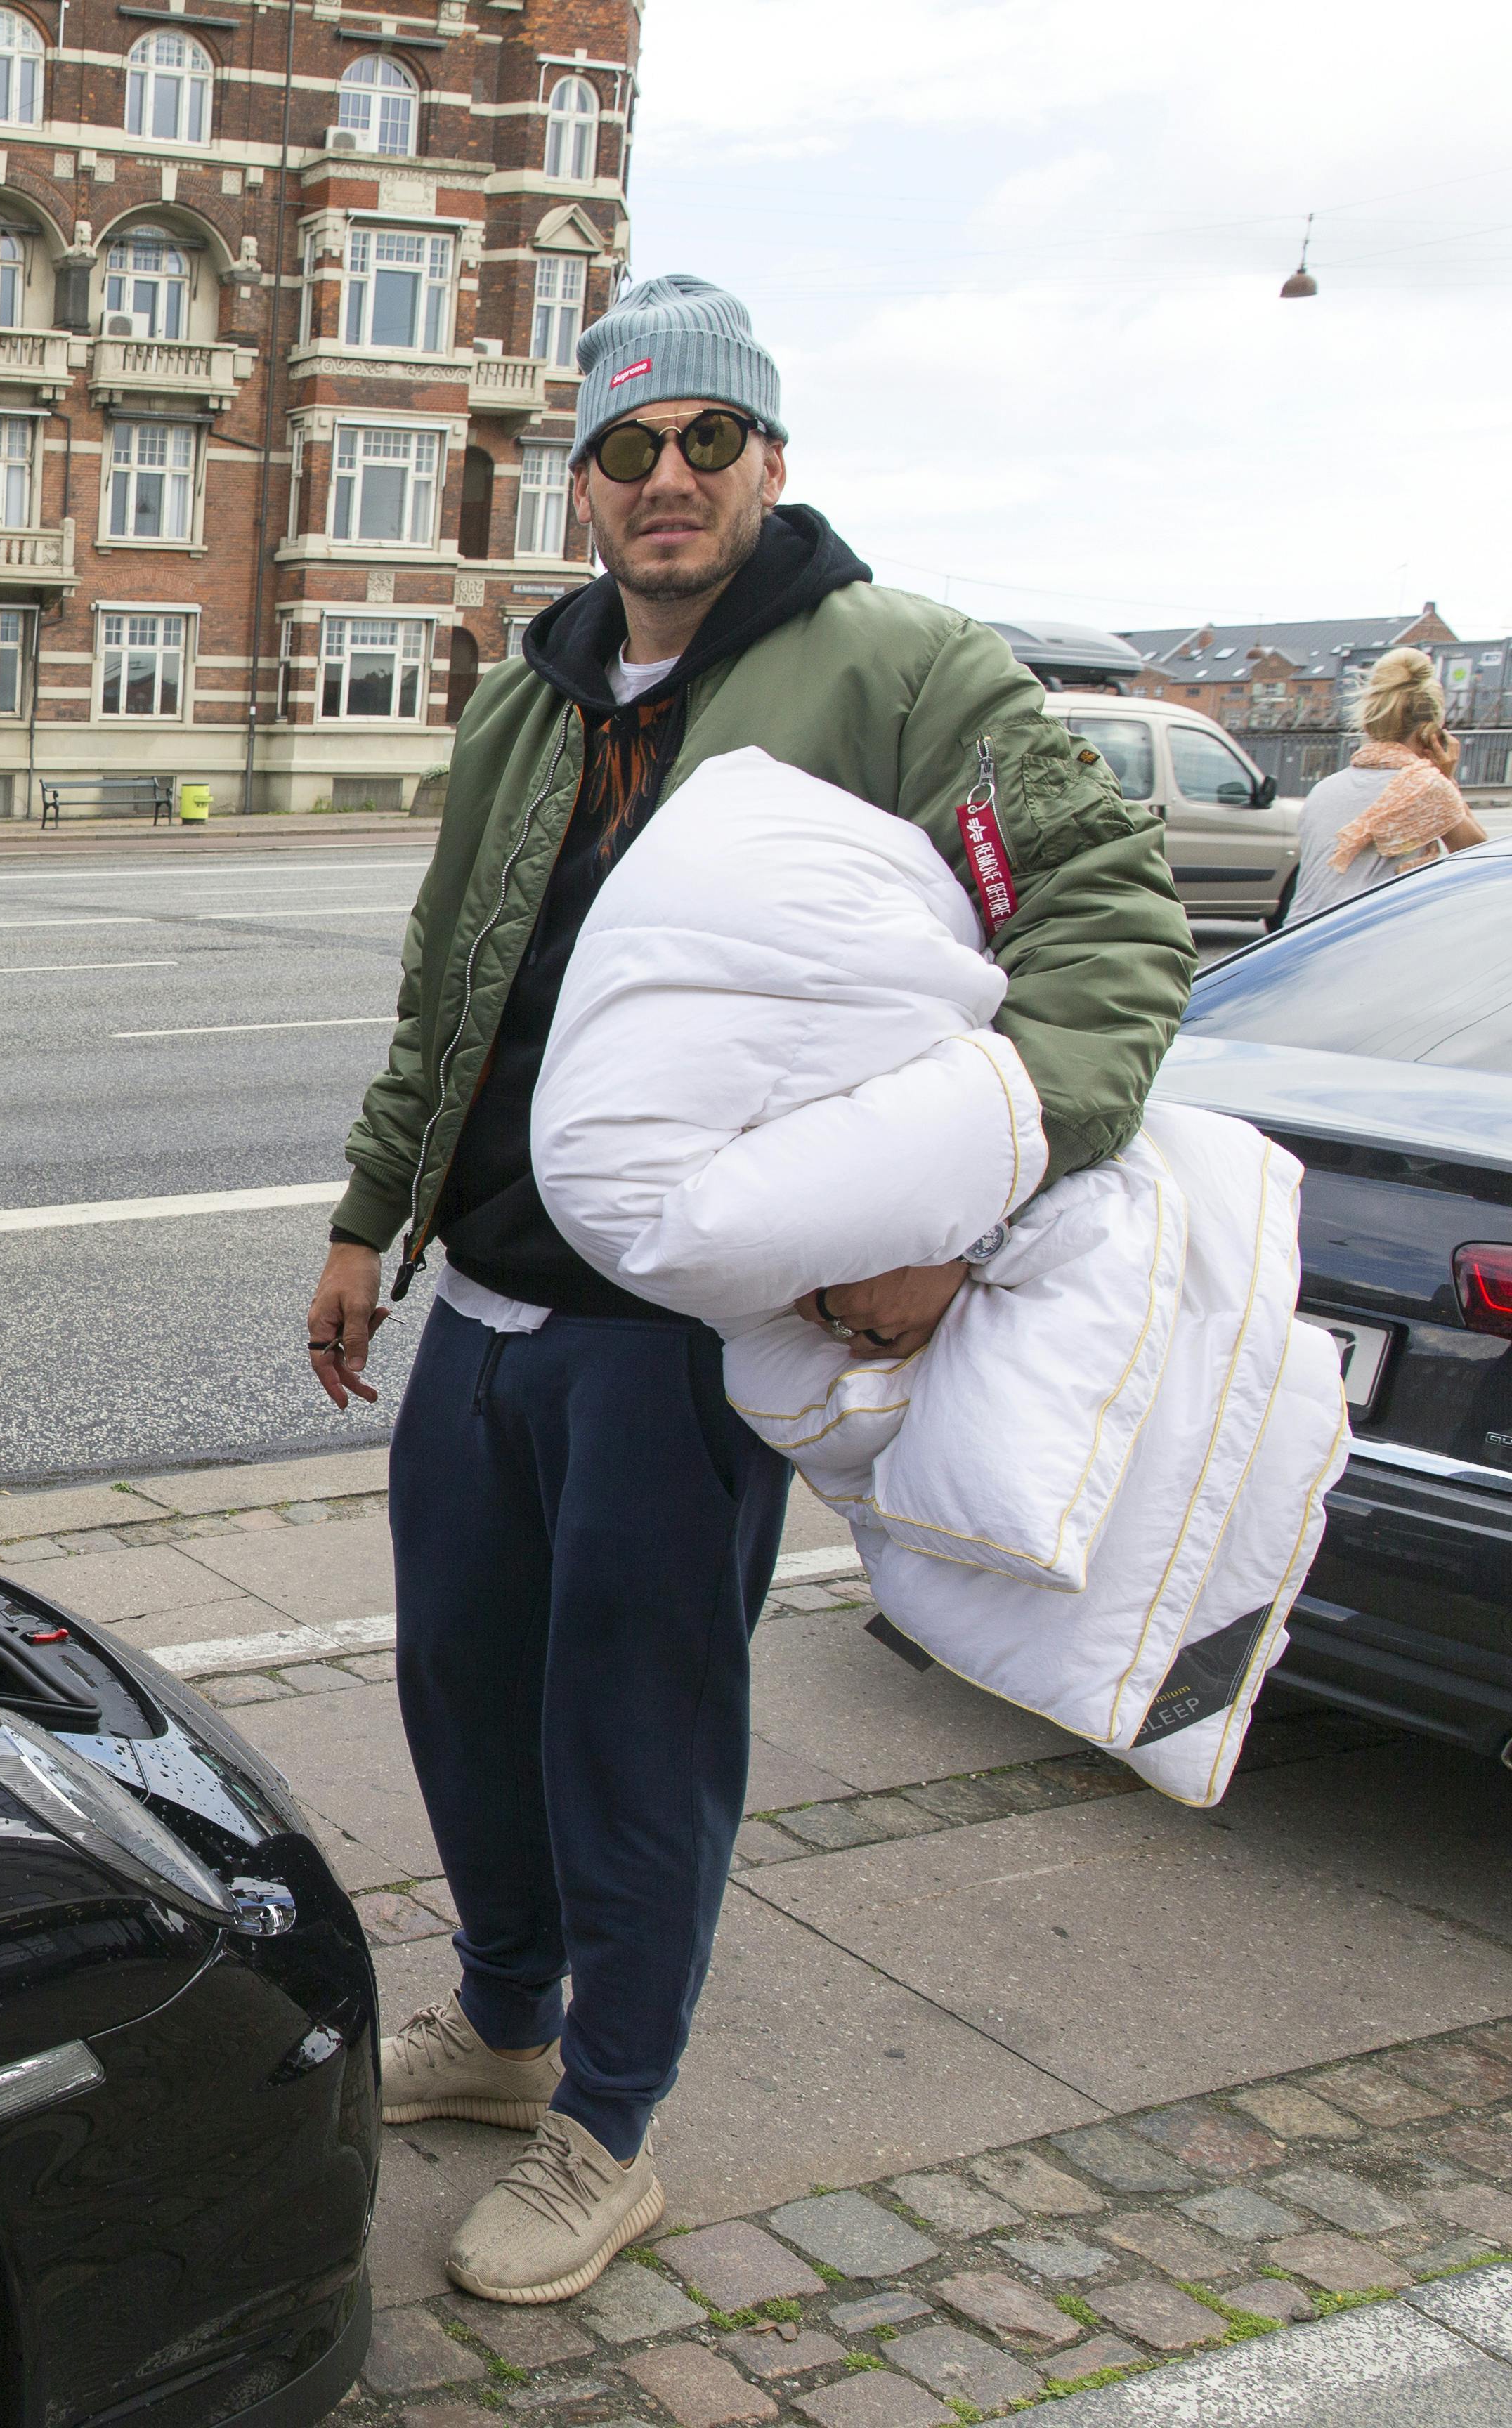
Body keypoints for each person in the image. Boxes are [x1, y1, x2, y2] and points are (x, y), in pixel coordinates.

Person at [303, 275, 1192, 2304]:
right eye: (629, 448)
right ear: (585, 485)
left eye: (710, 438)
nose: (670, 477)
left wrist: (963, 1212)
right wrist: (373, 1217)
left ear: (772, 459)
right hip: (494, 1306)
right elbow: (453, 993)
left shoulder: (899, 665)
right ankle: (510, 2028)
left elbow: (1110, 918)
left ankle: (608, 2129)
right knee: (462, 1694)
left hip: (689, 1335)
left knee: (636, 1726)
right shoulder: (528, 696)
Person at [1285, 647, 1486, 925]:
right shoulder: (1424, 786)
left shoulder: (1325, 788)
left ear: (1370, 724)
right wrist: (1446, 777)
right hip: (1359, 941)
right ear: (1433, 731)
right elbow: (1480, 857)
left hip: (1296, 937)